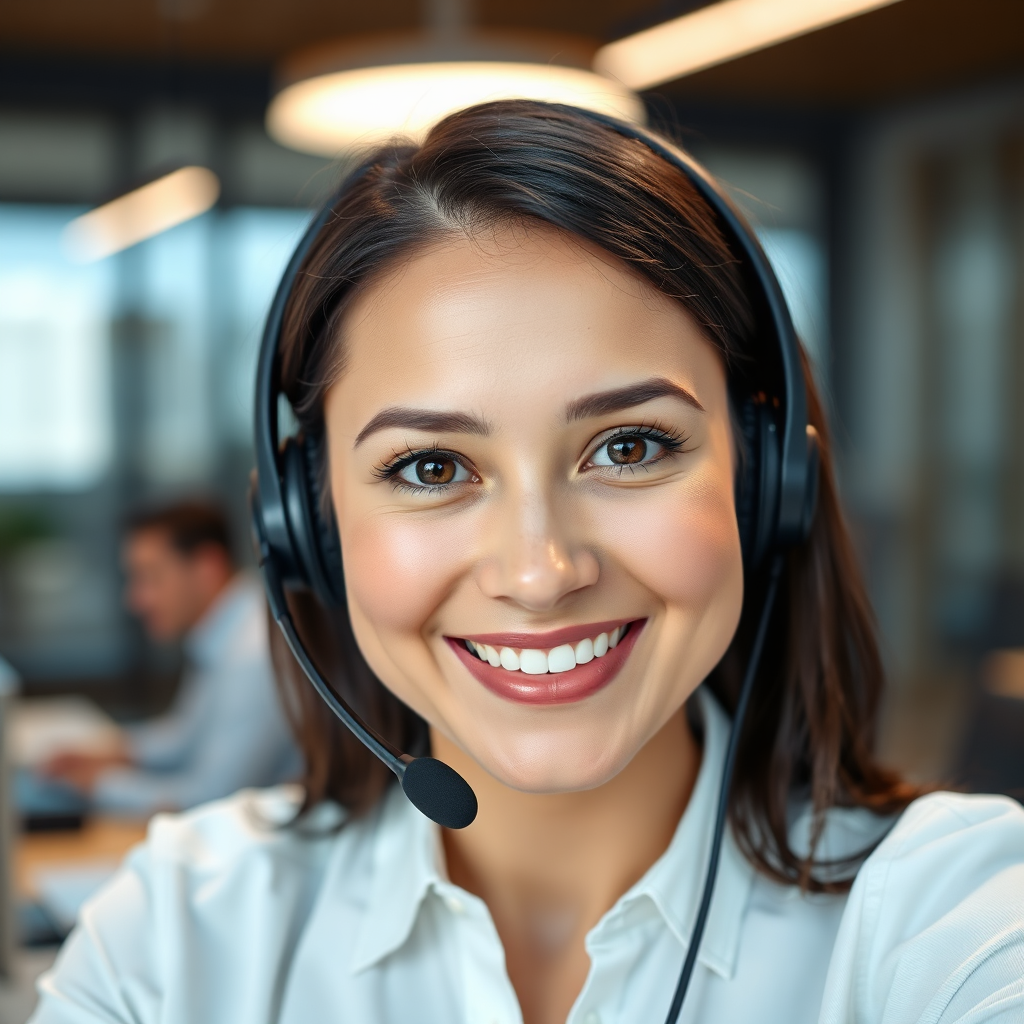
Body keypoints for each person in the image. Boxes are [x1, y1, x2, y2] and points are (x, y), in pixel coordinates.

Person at [31, 103, 1024, 1024]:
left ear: (767, 482)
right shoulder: (176, 941)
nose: (541, 572)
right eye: (431, 466)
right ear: (308, 523)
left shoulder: (954, 919)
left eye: (629, 447)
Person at [42, 501, 299, 815]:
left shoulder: (252, 654)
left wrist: (98, 784)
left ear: (207, 568)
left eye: (149, 577)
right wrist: (113, 754)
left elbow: (213, 797)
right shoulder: (225, 630)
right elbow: (185, 736)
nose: (134, 600)